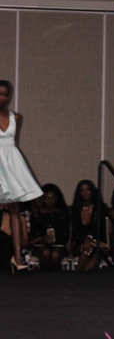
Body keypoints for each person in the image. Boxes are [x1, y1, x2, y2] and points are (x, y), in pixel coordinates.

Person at [0, 80, 42, 270]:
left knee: (15, 210)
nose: (2, 98)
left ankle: (17, 258)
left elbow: (13, 145)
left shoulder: (15, 117)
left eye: (5, 94)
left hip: (10, 164)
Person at [70, 180, 107, 270]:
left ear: (92, 191)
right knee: (87, 249)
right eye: (82, 190)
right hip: (80, 244)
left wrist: (90, 239)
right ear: (79, 193)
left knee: (94, 250)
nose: (85, 192)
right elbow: (75, 231)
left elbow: (101, 229)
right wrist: (85, 241)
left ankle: (80, 273)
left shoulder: (100, 208)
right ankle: (83, 274)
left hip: (98, 243)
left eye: (88, 189)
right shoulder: (75, 209)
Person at [33, 184, 70, 271]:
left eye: (52, 198)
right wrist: (42, 239)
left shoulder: (63, 213)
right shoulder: (37, 215)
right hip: (41, 246)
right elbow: (33, 236)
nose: (50, 201)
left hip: (59, 245)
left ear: (56, 198)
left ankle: (55, 276)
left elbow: (65, 234)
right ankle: (42, 276)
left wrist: (54, 239)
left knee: (55, 254)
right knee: (45, 253)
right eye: (47, 198)